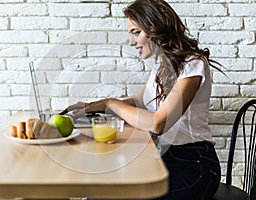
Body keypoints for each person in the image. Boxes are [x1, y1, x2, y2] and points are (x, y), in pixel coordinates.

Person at [60, 0, 222, 199]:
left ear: (155, 28)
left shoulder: (192, 64)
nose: (131, 42)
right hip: (164, 158)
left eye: (136, 33)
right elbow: (140, 102)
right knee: (100, 191)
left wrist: (112, 104)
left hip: (193, 166)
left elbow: (158, 123)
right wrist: (95, 106)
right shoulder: (161, 64)